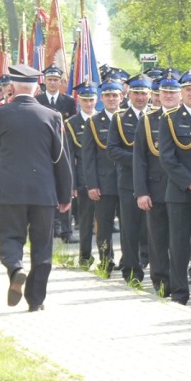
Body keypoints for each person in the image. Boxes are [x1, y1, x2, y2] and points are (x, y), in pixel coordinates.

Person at [0, 64, 72, 312]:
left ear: (12, 87)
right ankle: (36, 300)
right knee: (42, 246)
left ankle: (15, 268)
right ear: (38, 87)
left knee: (10, 237)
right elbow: (60, 158)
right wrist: (65, 193)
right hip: (44, 192)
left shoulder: (0, 115)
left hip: (11, 190)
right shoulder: (52, 116)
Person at [159, 69, 191, 306]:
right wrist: (190, 183)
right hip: (181, 192)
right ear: (181, 93)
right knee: (179, 245)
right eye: (187, 89)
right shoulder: (169, 118)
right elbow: (167, 158)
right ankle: (179, 293)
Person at [134, 72, 181, 297]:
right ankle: (161, 282)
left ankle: (180, 279)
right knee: (158, 238)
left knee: (181, 238)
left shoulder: (188, 117)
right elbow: (139, 158)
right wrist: (141, 191)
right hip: (157, 188)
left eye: (173, 92)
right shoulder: (148, 120)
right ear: (158, 95)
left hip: (183, 189)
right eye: (165, 92)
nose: (169, 96)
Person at [107, 74, 152, 284]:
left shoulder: (158, 117)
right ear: (129, 94)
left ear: (150, 94)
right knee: (130, 229)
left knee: (153, 229)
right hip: (128, 183)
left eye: (144, 93)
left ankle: (156, 270)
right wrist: (139, 159)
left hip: (154, 182)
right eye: (136, 93)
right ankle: (132, 272)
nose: (140, 97)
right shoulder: (119, 118)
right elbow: (113, 150)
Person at [82, 78, 123, 276]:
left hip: (128, 182)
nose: (111, 99)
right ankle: (106, 261)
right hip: (104, 183)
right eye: (107, 96)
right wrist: (91, 184)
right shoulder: (93, 122)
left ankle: (130, 260)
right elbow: (87, 156)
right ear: (101, 98)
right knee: (104, 225)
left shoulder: (129, 119)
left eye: (115, 95)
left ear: (121, 97)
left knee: (132, 225)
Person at [37, 63, 78, 244]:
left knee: (65, 186)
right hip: (44, 149)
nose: (53, 83)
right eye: (50, 80)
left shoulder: (68, 101)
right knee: (47, 188)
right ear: (44, 81)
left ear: (61, 82)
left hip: (64, 148)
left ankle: (66, 230)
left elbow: (73, 126)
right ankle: (52, 227)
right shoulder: (38, 100)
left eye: (56, 80)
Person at [65, 82, 99, 268]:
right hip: (84, 176)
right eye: (85, 100)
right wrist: (72, 183)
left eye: (92, 100)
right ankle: (85, 256)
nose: (89, 104)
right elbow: (69, 156)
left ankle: (106, 256)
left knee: (104, 222)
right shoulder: (72, 123)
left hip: (104, 177)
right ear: (79, 100)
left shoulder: (103, 120)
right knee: (86, 221)